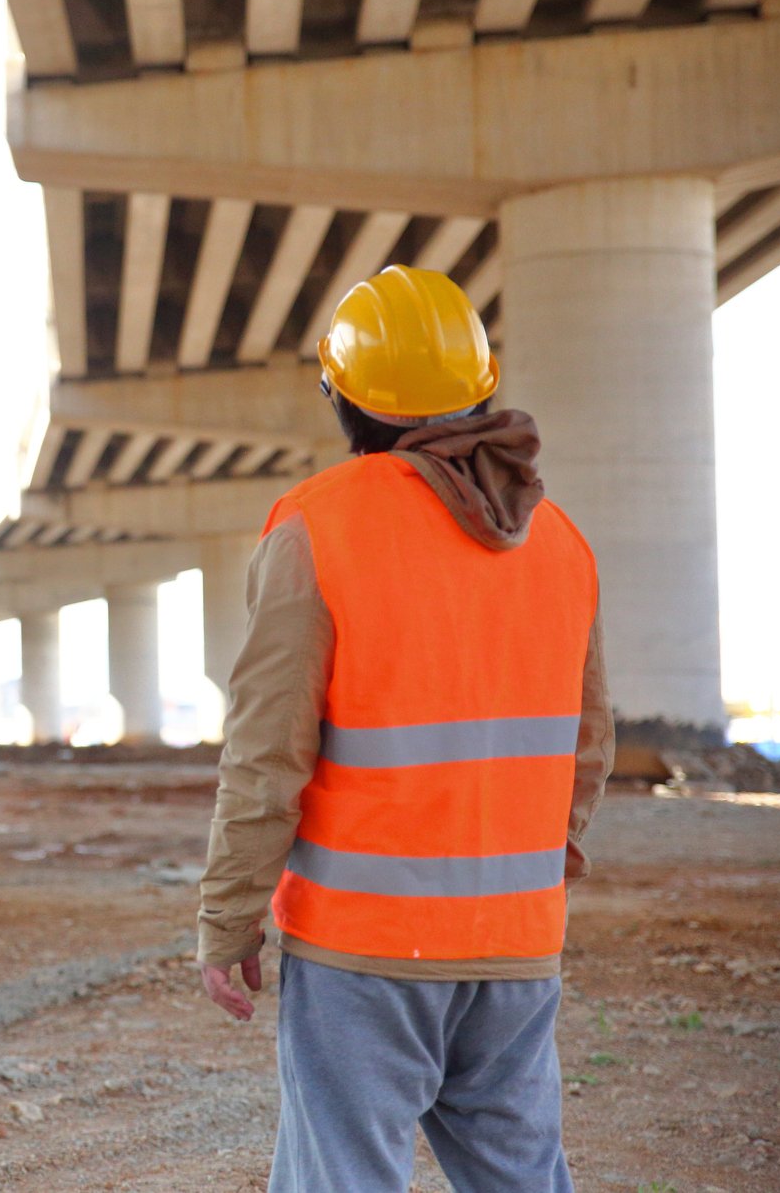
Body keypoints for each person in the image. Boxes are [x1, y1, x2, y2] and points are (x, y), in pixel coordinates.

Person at [195, 265, 613, 1192]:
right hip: (516, 944)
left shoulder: (316, 528)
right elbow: (586, 749)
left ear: (343, 397)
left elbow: (266, 754)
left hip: (363, 953)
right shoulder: (560, 543)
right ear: (477, 388)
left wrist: (228, 920)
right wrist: (535, 877)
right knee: (521, 1177)